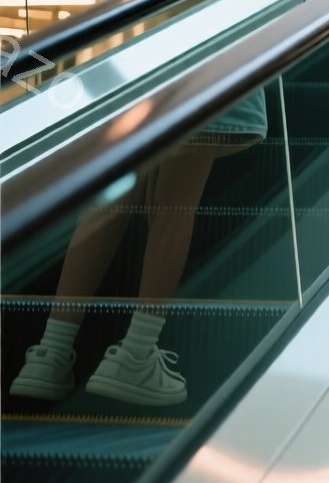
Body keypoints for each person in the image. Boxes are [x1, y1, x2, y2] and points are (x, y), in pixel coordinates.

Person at [9, 92, 266, 406]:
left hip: (141, 68)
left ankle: (50, 354)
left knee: (112, 197)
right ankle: (137, 353)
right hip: (206, 65)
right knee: (176, 204)